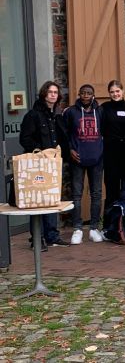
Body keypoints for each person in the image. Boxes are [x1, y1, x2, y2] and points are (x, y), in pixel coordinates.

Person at [19, 80, 70, 249]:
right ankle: (37, 238)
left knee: (52, 198)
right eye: (50, 92)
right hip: (38, 164)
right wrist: (39, 151)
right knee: (39, 200)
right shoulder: (33, 115)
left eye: (56, 92)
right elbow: (25, 138)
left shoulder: (56, 115)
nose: (53, 95)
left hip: (53, 164)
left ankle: (52, 235)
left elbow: (62, 137)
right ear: (44, 94)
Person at [63, 83, 104, 245]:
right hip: (78, 159)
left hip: (96, 159)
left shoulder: (100, 111)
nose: (86, 95)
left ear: (93, 95)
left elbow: (107, 131)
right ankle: (78, 228)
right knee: (77, 195)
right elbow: (65, 133)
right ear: (79, 94)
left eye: (89, 93)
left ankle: (94, 227)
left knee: (96, 194)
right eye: (83, 93)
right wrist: (70, 150)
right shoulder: (71, 112)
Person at [100, 79, 125, 212]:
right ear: (109, 93)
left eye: (117, 91)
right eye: (112, 92)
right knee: (111, 190)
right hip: (111, 155)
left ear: (123, 91)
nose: (115, 94)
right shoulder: (104, 108)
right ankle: (110, 225)